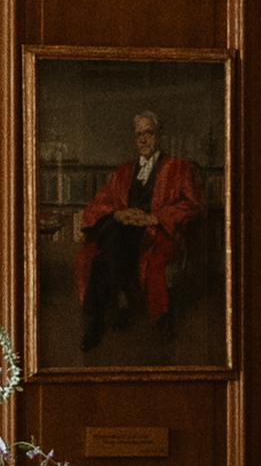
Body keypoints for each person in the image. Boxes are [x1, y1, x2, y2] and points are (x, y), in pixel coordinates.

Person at [72, 105, 205, 358]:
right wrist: (118, 213)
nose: (143, 139)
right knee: (113, 234)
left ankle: (103, 317)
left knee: (103, 255)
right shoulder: (124, 171)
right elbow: (103, 200)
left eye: (149, 133)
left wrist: (153, 217)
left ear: (160, 134)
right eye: (139, 134)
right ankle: (100, 319)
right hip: (124, 232)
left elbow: (192, 206)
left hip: (154, 234)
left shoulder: (179, 169)